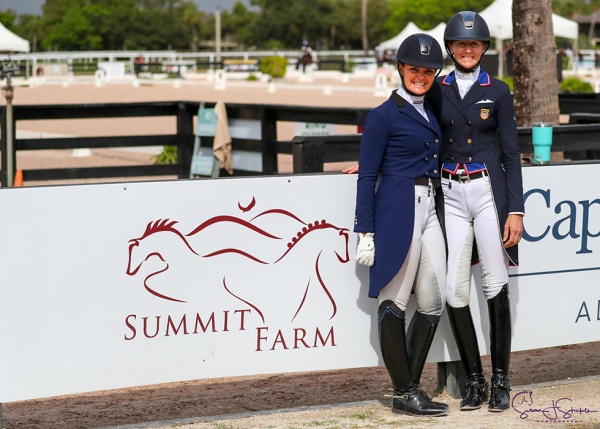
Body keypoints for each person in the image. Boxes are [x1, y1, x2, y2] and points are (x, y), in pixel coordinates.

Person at [354, 33, 449, 417]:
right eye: (415, 69)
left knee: (432, 301)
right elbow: (366, 175)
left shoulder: (432, 110)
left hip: (430, 208)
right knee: (394, 300)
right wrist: (366, 229)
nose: (421, 76)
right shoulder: (381, 116)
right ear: (401, 69)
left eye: (428, 71)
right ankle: (406, 391)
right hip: (399, 207)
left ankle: (405, 387)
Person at [439, 11, 524, 412]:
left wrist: (517, 210)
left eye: (474, 44)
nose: (467, 49)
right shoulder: (437, 88)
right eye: (460, 44)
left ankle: (502, 381)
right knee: (454, 289)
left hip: (489, 194)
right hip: (452, 195)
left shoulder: (500, 90)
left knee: (494, 283)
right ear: (450, 48)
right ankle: (474, 379)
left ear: (484, 48)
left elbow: (510, 153)